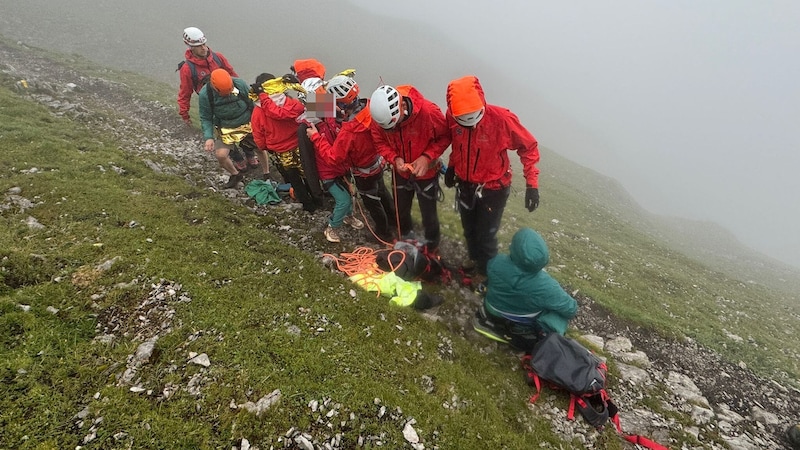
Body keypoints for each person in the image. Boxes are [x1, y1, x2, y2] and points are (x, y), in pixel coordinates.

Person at [443, 75, 541, 277]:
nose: (470, 127)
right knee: (469, 229)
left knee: (486, 236)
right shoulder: (453, 116)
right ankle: (474, 259)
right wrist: (453, 167)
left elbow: (528, 148)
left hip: (493, 189)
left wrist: (532, 185)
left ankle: (487, 275)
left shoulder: (502, 120)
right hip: (465, 185)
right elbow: (458, 144)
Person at [308, 75, 396, 244]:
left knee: (372, 202)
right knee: (382, 193)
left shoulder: (350, 131)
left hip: (364, 171)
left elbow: (334, 157)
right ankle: (394, 221)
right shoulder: (371, 106)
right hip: (377, 163)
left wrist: (316, 137)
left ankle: (383, 233)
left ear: (341, 103)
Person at [369, 84, 450, 253]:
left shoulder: (429, 112)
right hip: (400, 172)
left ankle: (432, 246)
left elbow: (444, 137)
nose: (391, 130)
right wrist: (394, 158)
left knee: (429, 213)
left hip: (427, 173)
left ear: (403, 107)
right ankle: (406, 236)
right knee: (401, 209)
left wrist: (427, 158)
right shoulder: (380, 117)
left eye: (393, 124)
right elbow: (379, 141)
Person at [473, 227, 578, 352]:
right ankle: (518, 334)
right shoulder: (546, 285)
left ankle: (491, 322)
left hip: (491, 309)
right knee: (558, 317)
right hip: (518, 321)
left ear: (514, 248)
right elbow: (571, 309)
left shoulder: (496, 261)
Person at [250, 73, 318, 212]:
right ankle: (318, 198)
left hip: (280, 150)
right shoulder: (290, 102)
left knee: (294, 178)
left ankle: (307, 204)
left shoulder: (257, 111)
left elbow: (258, 134)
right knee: (308, 172)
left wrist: (264, 147)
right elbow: (305, 111)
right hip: (299, 145)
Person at [199, 69, 257, 189]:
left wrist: (259, 124)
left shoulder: (240, 84)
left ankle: (260, 166)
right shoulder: (205, 94)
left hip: (246, 122)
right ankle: (236, 174)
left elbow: (252, 104)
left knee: (261, 148)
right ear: (214, 87)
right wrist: (209, 138)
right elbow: (206, 117)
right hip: (225, 128)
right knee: (221, 155)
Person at [177, 27, 237, 126]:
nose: (204, 48)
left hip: (229, 95)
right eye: (199, 46)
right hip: (211, 104)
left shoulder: (218, 57)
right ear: (191, 47)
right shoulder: (187, 69)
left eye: (204, 44)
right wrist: (184, 115)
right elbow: (185, 92)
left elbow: (233, 75)